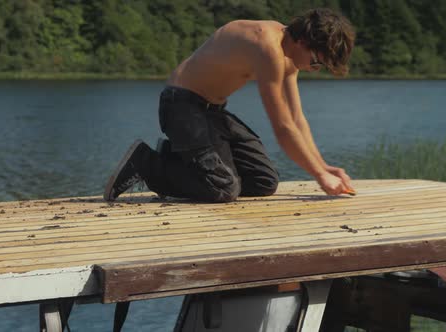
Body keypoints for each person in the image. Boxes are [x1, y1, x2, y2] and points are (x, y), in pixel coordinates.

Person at [104, 8, 356, 203]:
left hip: (211, 113)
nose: (314, 69)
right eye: (316, 62)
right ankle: (147, 163)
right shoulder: (267, 47)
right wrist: (319, 176)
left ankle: (178, 156)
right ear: (303, 41)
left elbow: (297, 119)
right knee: (223, 188)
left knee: (263, 182)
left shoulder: (290, 57)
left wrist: (323, 166)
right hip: (180, 105)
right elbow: (282, 127)